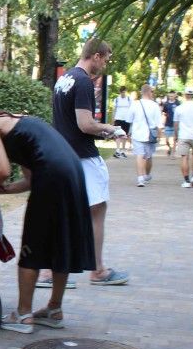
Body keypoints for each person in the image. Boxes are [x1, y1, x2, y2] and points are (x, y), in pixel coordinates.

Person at [0, 106, 96, 333]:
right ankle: (54, 310)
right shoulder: (17, 125)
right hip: (71, 173)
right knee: (60, 243)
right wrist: (3, 190)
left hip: (53, 176)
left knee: (31, 246)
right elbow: (30, 181)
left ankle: (23, 314)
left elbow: (3, 170)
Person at [46, 38, 131, 286]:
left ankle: (48, 271)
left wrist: (101, 133)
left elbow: (69, 123)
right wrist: (112, 129)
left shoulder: (65, 79)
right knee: (97, 210)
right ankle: (98, 270)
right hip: (83, 157)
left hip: (63, 155)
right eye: (105, 59)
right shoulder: (83, 81)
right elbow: (85, 124)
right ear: (96, 56)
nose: (105, 65)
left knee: (63, 213)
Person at [125, 84, 162, 187]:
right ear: (149, 92)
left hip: (137, 134)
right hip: (150, 135)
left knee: (139, 155)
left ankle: (140, 179)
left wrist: (129, 133)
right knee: (148, 156)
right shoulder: (154, 105)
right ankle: (146, 175)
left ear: (141, 92)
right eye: (152, 92)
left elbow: (128, 120)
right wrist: (159, 135)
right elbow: (159, 123)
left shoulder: (135, 104)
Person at [111, 87, 132, 158]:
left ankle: (123, 151)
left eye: (124, 92)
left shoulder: (129, 99)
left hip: (126, 119)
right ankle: (117, 150)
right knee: (118, 134)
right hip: (118, 119)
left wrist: (131, 119)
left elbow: (132, 110)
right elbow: (114, 110)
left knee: (124, 135)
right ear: (120, 92)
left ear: (126, 92)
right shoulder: (117, 99)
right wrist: (113, 119)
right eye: (122, 92)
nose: (123, 93)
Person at [161, 90, 180, 157]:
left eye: (172, 96)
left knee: (174, 139)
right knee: (166, 140)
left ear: (175, 96)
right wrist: (163, 122)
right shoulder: (166, 104)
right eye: (169, 96)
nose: (171, 97)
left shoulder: (178, 103)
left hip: (175, 123)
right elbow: (164, 113)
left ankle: (173, 153)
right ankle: (169, 148)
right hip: (168, 123)